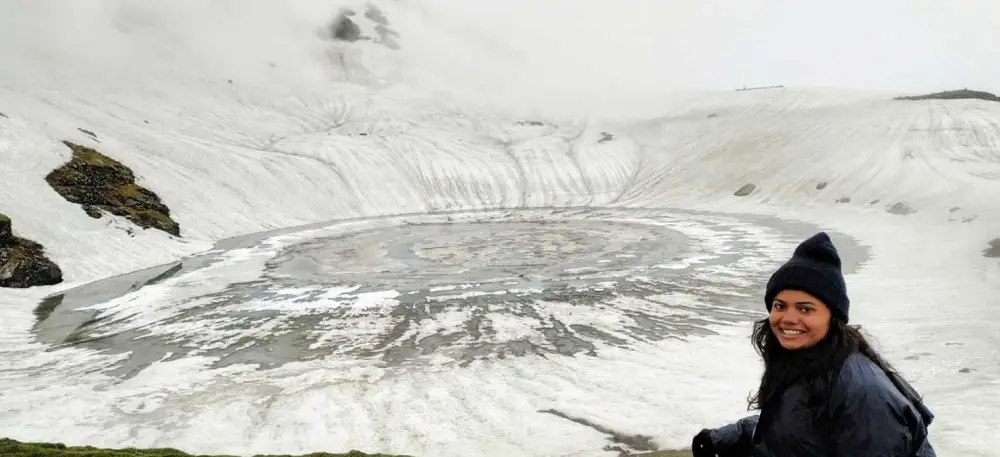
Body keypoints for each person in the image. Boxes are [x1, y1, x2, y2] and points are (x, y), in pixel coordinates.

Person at [691, 232, 936, 457]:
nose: (788, 318)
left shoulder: (862, 394)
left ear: (833, 317)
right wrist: (723, 438)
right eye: (780, 306)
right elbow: (795, 424)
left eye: (805, 309)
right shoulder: (808, 361)